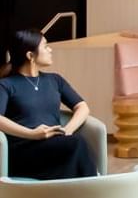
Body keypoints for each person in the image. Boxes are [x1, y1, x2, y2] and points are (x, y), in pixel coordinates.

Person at [0, 29, 96, 179]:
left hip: (55, 145)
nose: (50, 50)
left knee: (73, 148)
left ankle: (72, 192)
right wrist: (32, 134)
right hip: (23, 150)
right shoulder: (6, 85)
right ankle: (92, 191)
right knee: (77, 145)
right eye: (45, 46)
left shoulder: (55, 80)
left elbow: (82, 107)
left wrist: (67, 130)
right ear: (30, 56)